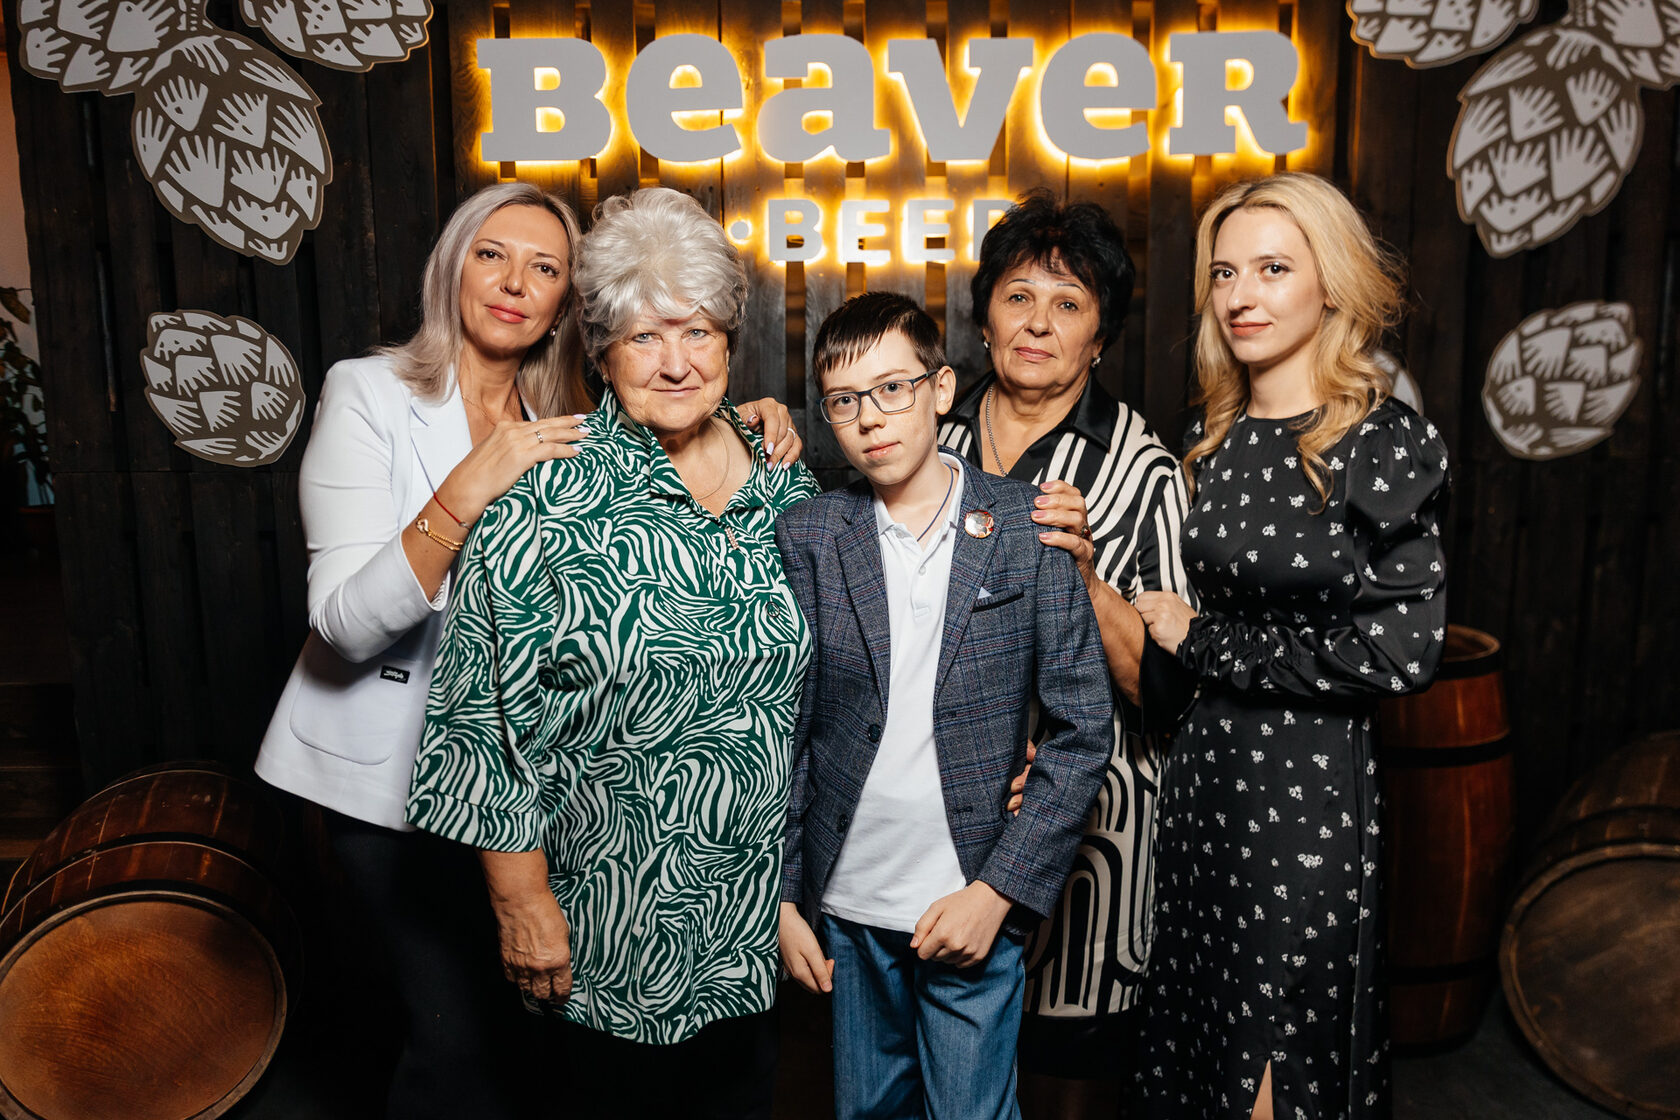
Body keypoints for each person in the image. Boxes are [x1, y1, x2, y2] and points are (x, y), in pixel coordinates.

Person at [254, 182, 801, 1120]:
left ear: (565, 306)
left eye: (544, 267)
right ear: (605, 344)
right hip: (412, 785)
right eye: (645, 336)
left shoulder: (622, 430)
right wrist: (466, 490)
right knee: (462, 1051)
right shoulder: (410, 417)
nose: (516, 283)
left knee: (583, 1068)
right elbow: (355, 629)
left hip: (713, 883)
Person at [404, 186, 819, 1120]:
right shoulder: (543, 498)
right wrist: (522, 904)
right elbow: (480, 724)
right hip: (602, 926)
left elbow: (852, 673)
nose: (676, 362)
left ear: (729, 342)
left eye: (697, 331)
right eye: (643, 337)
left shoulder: (787, 490)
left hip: (751, 925)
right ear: (599, 353)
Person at [1133, 171, 1449, 1120]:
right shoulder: (1211, 435)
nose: (1242, 295)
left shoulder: (1381, 441)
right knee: (1198, 1050)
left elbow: (1400, 654)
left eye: (1273, 268)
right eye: (1226, 272)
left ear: (1331, 284)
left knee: (1275, 1061)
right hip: (1204, 781)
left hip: (1306, 796)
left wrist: (1204, 642)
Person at [776, 290, 1115, 1120]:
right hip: (848, 907)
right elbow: (789, 733)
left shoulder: (1026, 526)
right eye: (845, 401)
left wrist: (998, 893)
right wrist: (784, 899)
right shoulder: (811, 535)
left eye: (893, 388)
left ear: (939, 389)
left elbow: (1082, 731)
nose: (870, 418)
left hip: (968, 896)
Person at [938, 189, 1194, 1110]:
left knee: (1060, 1077)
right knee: (943, 1068)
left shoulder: (1143, 469)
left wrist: (1083, 577)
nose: (1038, 323)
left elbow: (1166, 693)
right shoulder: (930, 441)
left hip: (1088, 840)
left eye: (1068, 303)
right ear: (984, 320)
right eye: (1018, 296)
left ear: (1100, 338)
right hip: (940, 817)